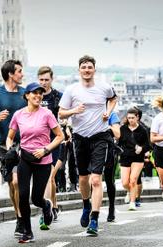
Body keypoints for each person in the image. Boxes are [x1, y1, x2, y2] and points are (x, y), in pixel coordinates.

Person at [59, 55, 117, 236]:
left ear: (94, 70)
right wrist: (74, 111)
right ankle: (86, 204)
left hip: (100, 136)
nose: (86, 70)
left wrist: (108, 111)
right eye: (83, 67)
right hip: (80, 137)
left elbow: (113, 98)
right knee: (83, 178)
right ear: (79, 70)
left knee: (96, 180)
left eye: (89, 67)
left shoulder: (104, 87)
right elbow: (61, 114)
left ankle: (94, 218)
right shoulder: (71, 90)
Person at [7, 82, 63, 243]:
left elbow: (60, 136)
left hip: (43, 160)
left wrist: (46, 149)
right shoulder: (18, 115)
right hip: (25, 158)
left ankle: (46, 206)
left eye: (40, 93)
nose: (38, 96)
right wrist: (11, 149)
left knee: (36, 198)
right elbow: (10, 136)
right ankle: (27, 231)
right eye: (34, 93)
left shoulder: (47, 114)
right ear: (27, 96)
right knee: (23, 195)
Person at [0, 59, 27, 237]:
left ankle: (21, 219)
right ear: (10, 74)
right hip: (4, 145)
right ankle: (18, 215)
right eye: (19, 71)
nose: (22, 74)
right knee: (12, 183)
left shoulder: (26, 93)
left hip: (24, 144)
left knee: (18, 182)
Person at [38, 66, 63, 223]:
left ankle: (46, 210)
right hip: (39, 140)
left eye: (47, 80)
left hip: (54, 140)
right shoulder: (34, 95)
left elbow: (64, 114)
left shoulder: (58, 96)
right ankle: (53, 206)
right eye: (41, 80)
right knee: (49, 179)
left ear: (51, 80)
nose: (44, 83)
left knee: (50, 176)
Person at [119, 108, 149, 211]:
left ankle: (132, 202)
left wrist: (142, 148)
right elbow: (118, 143)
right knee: (124, 182)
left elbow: (148, 145)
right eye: (129, 118)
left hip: (137, 158)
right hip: (125, 157)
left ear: (137, 117)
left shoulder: (142, 130)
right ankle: (130, 191)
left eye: (132, 118)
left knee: (133, 180)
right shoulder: (122, 129)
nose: (131, 120)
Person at [104, 111, 121, 221]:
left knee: (109, 180)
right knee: (92, 179)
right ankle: (91, 207)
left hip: (108, 149)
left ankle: (111, 208)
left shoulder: (112, 115)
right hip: (91, 148)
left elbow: (117, 134)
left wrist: (106, 125)